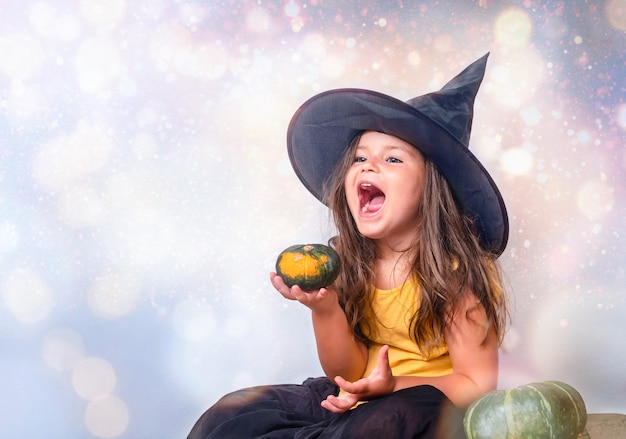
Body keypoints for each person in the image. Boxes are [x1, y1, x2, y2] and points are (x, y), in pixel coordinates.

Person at [187, 53, 510, 439]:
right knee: (232, 415)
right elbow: (347, 373)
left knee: (389, 423)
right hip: (354, 396)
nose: (368, 166)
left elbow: (475, 385)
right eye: (360, 157)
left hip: (423, 404)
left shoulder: (456, 278)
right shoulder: (347, 261)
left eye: (392, 158)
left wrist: (390, 387)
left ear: (432, 188)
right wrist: (324, 308)